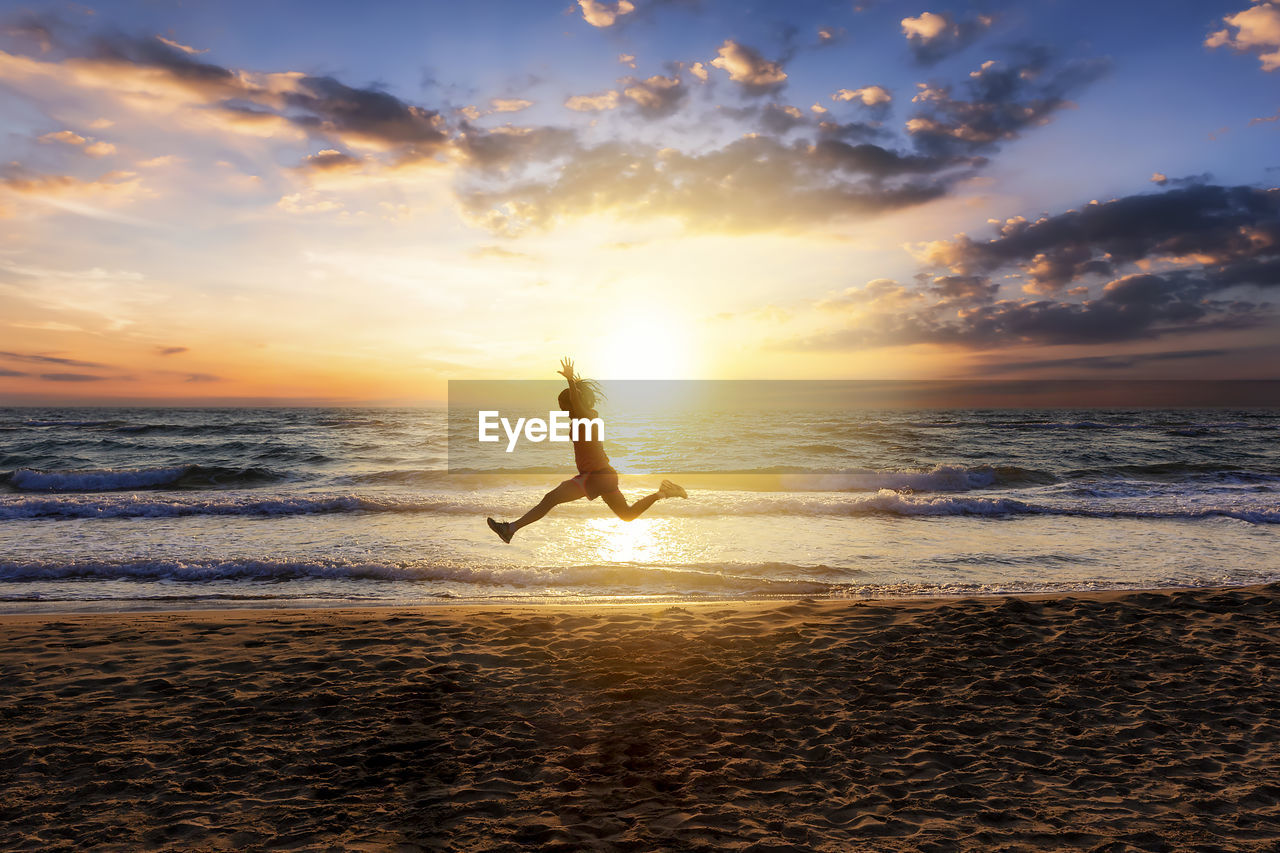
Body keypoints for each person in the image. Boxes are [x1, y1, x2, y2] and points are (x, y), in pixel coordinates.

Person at [487, 358, 687, 543]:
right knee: (627, 515)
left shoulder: (588, 418)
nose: (563, 411)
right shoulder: (583, 419)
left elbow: (576, 401)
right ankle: (663, 493)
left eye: (564, 407)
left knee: (551, 499)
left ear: (574, 404)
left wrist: (570, 382)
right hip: (604, 475)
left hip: (596, 476)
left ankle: (510, 529)